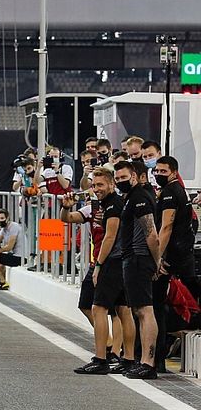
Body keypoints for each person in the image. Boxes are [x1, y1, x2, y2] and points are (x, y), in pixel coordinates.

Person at [60, 169, 126, 358]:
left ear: (111, 184)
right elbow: (68, 219)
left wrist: (99, 265)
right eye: (94, 185)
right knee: (86, 304)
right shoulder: (92, 208)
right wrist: (66, 207)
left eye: (100, 185)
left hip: (110, 262)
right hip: (96, 261)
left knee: (115, 310)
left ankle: (113, 352)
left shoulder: (116, 205)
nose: (96, 189)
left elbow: (111, 237)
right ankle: (108, 344)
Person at [113, 160, 161, 379]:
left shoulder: (140, 197)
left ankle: (148, 363)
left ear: (134, 176)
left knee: (145, 311)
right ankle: (143, 361)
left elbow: (152, 234)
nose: (121, 181)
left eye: (124, 178)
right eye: (118, 179)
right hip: (133, 259)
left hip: (140, 259)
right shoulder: (131, 197)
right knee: (139, 311)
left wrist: (156, 261)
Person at [152, 156, 195, 372]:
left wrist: (157, 257)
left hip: (171, 260)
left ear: (173, 171)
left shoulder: (170, 192)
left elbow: (166, 226)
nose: (158, 174)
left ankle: (157, 358)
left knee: (157, 306)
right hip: (182, 256)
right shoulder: (179, 189)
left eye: (162, 171)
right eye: (156, 171)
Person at [0, 209, 25, 290]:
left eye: (2, 218)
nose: (0, 221)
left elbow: (9, 247)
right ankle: (2, 281)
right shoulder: (4, 229)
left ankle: (2, 282)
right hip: (13, 255)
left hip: (20, 258)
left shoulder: (14, 227)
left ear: (7, 218)